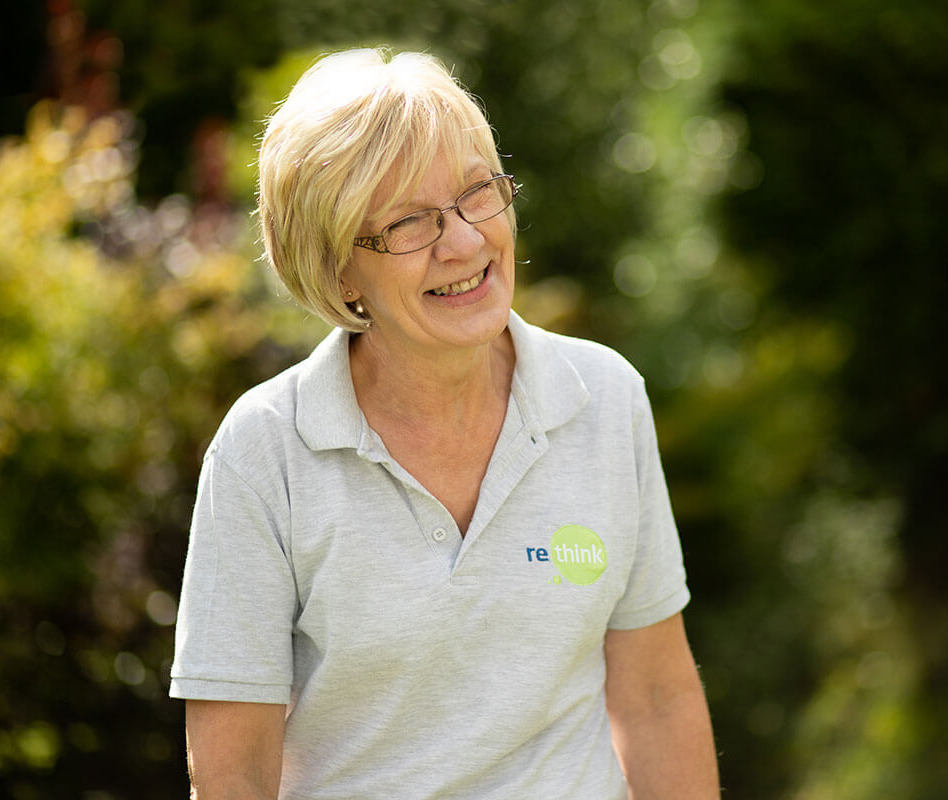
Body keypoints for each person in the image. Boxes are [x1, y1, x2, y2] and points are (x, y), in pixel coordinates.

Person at [170, 47, 720, 799]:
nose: (464, 241)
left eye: (477, 195)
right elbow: (233, 774)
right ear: (337, 270)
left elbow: (656, 699)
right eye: (408, 224)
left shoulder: (605, 398)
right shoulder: (264, 452)